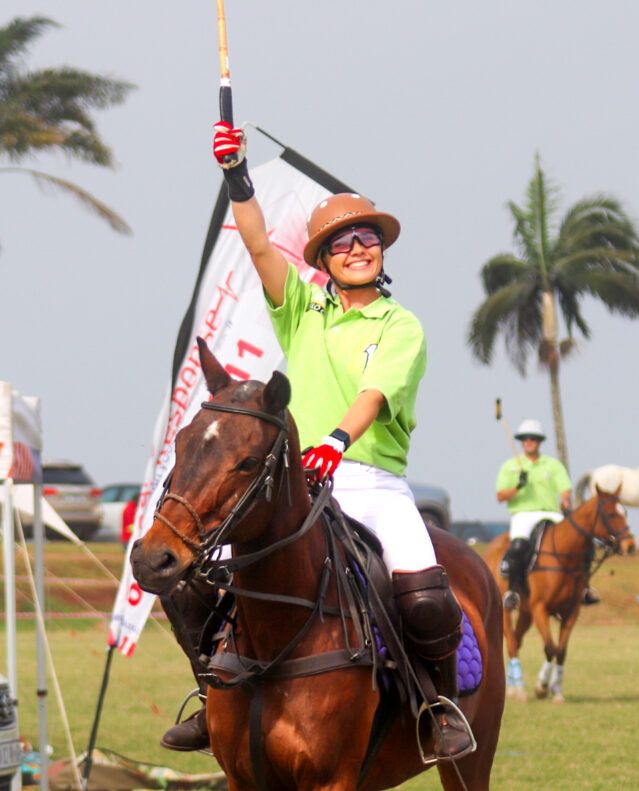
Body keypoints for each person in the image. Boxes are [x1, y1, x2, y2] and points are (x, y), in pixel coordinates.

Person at [159, 122, 474, 762]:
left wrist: (335, 438)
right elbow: (256, 244)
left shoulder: (400, 325)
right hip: (298, 483)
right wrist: (236, 176)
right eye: (343, 243)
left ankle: (437, 708)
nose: (359, 248)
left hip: (374, 483)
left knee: (425, 594)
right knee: (191, 585)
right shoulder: (302, 311)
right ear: (324, 260)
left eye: (368, 239)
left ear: (381, 252)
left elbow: (374, 394)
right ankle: (210, 695)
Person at [494, 419, 599, 608]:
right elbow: (501, 496)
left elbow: (565, 489)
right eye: (525, 438)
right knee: (518, 547)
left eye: (533, 438)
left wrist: (566, 501)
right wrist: (518, 486)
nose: (529, 441)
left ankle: (584, 588)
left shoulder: (553, 465)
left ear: (539, 441)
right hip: (523, 514)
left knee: (582, 543)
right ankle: (512, 591)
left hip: (551, 514)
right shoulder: (510, 466)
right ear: (521, 441)